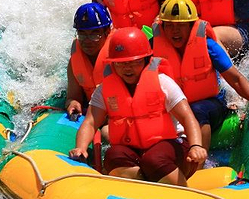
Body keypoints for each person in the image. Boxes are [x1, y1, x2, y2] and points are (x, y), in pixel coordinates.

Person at [69, 27, 206, 186]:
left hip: (174, 148)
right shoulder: (104, 89)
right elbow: (91, 122)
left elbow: (187, 117)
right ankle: (147, 190)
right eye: (121, 64)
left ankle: (183, 192)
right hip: (136, 151)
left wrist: (196, 146)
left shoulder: (163, 82)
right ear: (112, 65)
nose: (127, 68)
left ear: (146, 60)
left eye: (134, 62)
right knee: (113, 155)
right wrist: (81, 148)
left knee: (153, 159)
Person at [152, 0, 249, 163]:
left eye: (181, 26)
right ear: (163, 26)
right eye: (170, 25)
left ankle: (200, 161)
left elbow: (235, 78)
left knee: (197, 109)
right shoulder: (152, 47)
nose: (175, 31)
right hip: (173, 106)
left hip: (210, 103)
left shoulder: (208, 46)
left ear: (191, 26)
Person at [65, 2, 113, 118]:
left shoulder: (118, 58)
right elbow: (73, 97)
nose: (87, 41)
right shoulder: (74, 63)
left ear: (107, 32)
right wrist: (73, 103)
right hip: (92, 111)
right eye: (82, 34)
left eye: (94, 34)